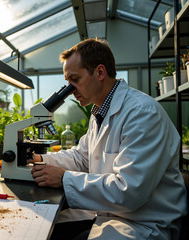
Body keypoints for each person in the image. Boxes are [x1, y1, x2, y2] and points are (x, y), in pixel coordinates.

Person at [30, 38, 187, 240]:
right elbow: (82, 157)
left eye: (75, 80)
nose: (70, 90)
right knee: (45, 227)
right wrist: (41, 160)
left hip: (144, 224)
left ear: (100, 72)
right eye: (67, 83)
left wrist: (63, 178)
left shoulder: (142, 113)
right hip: (112, 215)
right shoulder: (99, 112)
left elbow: (129, 191)